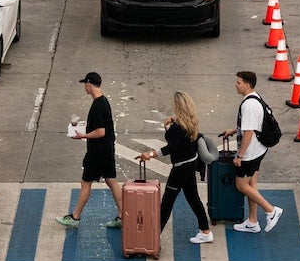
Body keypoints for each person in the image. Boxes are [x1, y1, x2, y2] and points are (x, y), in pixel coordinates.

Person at [137, 91, 213, 245]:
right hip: (191, 163)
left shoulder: (177, 128)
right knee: (193, 198)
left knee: (167, 203)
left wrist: (149, 154)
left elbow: (170, 148)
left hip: (180, 169)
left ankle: (152, 238)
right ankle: (205, 231)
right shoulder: (191, 122)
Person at [55, 71, 123, 229]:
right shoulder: (104, 101)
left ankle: (75, 217)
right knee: (111, 180)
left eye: (84, 84)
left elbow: (100, 131)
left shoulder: (97, 105)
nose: (84, 87)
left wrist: (82, 135)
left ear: (89, 84)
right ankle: (122, 216)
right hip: (107, 149)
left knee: (85, 183)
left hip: (97, 152)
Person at [224, 70, 282, 233]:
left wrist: (240, 156)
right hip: (259, 150)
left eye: (238, 82)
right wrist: (234, 130)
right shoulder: (255, 98)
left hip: (250, 153)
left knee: (241, 185)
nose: (236, 85)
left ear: (247, 84)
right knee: (251, 184)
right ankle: (252, 221)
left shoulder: (248, 105)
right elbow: (251, 126)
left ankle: (271, 210)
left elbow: (249, 132)